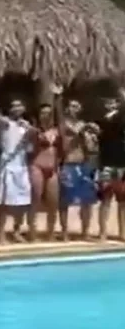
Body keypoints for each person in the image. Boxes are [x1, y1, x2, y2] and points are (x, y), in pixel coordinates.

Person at [0, 91, 31, 244]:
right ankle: (1, 234)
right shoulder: (5, 122)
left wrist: (29, 129)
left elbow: (31, 143)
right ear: (10, 109)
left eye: (20, 105)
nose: (17, 108)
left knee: (23, 201)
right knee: (4, 203)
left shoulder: (25, 125)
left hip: (22, 166)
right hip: (8, 166)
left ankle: (16, 230)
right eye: (14, 106)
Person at [52, 84, 97, 241]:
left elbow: (91, 147)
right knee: (65, 201)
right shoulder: (64, 125)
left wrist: (89, 134)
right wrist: (58, 97)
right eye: (71, 106)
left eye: (76, 106)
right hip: (69, 164)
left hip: (83, 164)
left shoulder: (84, 125)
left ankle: (85, 232)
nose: (73, 108)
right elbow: (58, 114)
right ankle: (64, 232)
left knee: (87, 200)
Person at [94, 87, 125, 242]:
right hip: (107, 163)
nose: (112, 105)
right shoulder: (103, 119)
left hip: (121, 163)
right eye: (109, 102)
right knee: (106, 199)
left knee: (122, 200)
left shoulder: (120, 118)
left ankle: (122, 232)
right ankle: (103, 232)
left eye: (114, 102)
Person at [27, 99, 60, 242]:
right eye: (43, 113)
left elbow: (60, 149)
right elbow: (29, 148)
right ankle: (32, 232)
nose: (46, 116)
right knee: (35, 199)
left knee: (53, 202)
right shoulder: (34, 131)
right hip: (37, 166)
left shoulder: (57, 130)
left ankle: (50, 232)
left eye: (48, 113)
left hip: (52, 168)